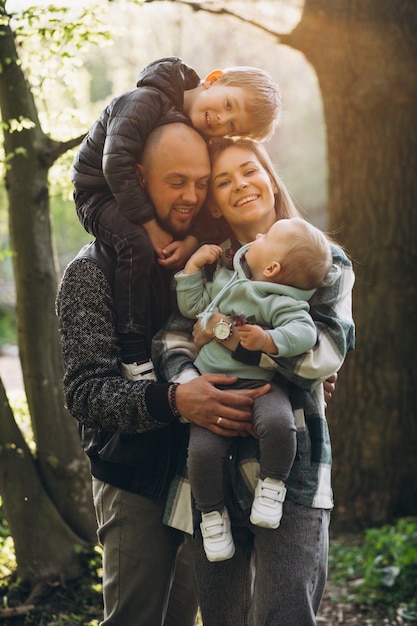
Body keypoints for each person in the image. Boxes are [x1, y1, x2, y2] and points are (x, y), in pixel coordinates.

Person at [56, 123, 271, 626]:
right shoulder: (90, 272)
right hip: (135, 481)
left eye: (201, 182)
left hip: (208, 480)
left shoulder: (220, 260)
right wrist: (175, 400)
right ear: (137, 177)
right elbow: (84, 394)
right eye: (177, 182)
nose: (192, 196)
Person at [153, 136, 355, 625]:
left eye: (249, 170)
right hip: (210, 469)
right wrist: (191, 389)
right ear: (216, 205)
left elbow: (323, 353)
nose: (240, 184)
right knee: (223, 617)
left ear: (269, 176)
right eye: (223, 181)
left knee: (284, 615)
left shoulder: (323, 261)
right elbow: (170, 341)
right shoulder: (210, 263)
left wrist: (222, 337)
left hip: (294, 466)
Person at [71, 56, 281, 377]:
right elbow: (116, 164)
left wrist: (193, 242)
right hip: (97, 191)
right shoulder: (146, 100)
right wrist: (151, 227)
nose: (220, 120)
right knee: (136, 244)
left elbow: (211, 210)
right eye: (227, 104)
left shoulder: (199, 133)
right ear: (213, 78)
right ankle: (134, 355)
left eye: (232, 125)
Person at [176, 217, 334, 562]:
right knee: (202, 452)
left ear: (273, 266)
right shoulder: (228, 277)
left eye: (268, 237)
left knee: (280, 424)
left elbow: (305, 333)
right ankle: (212, 516)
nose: (259, 235)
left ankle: (273, 484)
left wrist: (269, 340)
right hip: (214, 383)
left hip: (264, 384)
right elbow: (192, 308)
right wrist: (190, 269)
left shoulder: (282, 300)